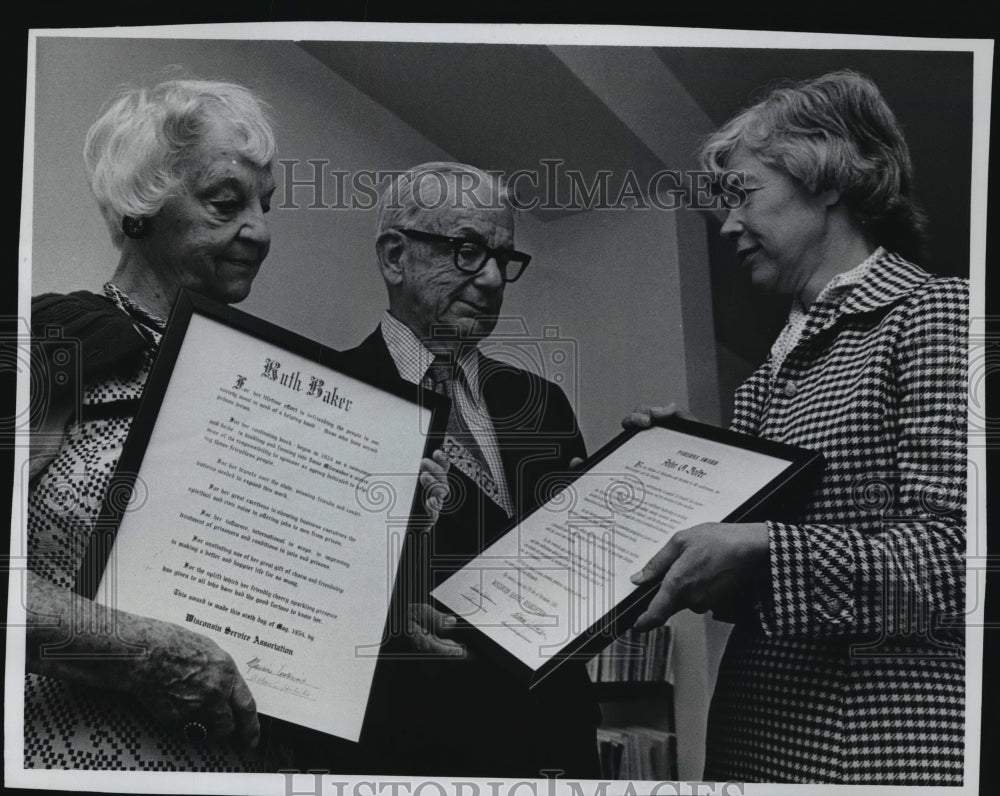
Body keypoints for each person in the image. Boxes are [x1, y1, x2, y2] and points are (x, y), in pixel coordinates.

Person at [24, 79, 448, 772]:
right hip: (83, 763)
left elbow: (260, 590)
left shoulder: (262, 383)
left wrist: (377, 582)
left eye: (264, 205)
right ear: (142, 205)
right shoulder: (52, 344)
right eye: (226, 202)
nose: (260, 230)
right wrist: (137, 650)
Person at [624, 71, 967, 785]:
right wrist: (680, 467)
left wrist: (761, 546)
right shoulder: (763, 381)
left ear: (831, 175)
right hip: (757, 734)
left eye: (742, 192)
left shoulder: (935, 313)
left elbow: (957, 559)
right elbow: (742, 579)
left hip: (874, 746)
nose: (727, 226)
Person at [335, 162, 601, 778]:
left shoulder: (543, 403)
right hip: (406, 755)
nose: (490, 279)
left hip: (554, 748)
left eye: (502, 258)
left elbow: (579, 587)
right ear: (395, 257)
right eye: (466, 250)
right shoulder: (331, 396)